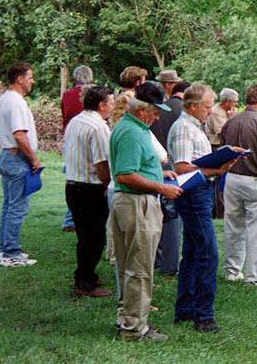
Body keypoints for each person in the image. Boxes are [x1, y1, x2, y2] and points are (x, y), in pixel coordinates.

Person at [108, 82, 182, 342]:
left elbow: (133, 167)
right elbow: (125, 175)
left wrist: (158, 172)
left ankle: (127, 320)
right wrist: (161, 187)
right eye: (155, 112)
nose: (158, 116)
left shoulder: (130, 127)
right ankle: (135, 329)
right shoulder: (133, 133)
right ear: (143, 111)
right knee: (139, 269)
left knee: (130, 267)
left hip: (131, 202)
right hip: (136, 204)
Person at [168, 83, 243, 332]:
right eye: (208, 107)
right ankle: (204, 316)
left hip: (201, 191)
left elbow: (194, 160)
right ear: (193, 106)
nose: (211, 112)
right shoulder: (182, 128)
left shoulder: (194, 126)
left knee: (192, 253)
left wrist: (222, 154)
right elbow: (181, 168)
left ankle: (186, 310)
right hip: (193, 194)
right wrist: (216, 169)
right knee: (208, 253)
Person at [220, 84, 257, 286]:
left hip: (233, 178)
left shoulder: (231, 121)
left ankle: (232, 270)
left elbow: (222, 146)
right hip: (256, 180)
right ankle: (254, 276)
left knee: (233, 225)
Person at [63, 85, 115, 297]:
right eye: (111, 103)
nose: (113, 107)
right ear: (101, 105)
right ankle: (84, 282)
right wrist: (107, 185)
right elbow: (101, 162)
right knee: (93, 238)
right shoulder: (98, 127)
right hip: (90, 188)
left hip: (73, 185)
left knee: (85, 236)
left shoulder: (76, 120)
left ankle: (86, 275)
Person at [0, 62, 41, 267]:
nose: (32, 81)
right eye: (30, 77)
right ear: (20, 79)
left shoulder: (5, 99)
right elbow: (20, 135)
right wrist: (34, 160)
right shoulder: (15, 103)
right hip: (16, 158)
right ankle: (10, 253)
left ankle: (5, 249)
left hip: (8, 156)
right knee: (18, 208)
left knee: (9, 205)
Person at [150, 79, 190, 277]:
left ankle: (156, 258)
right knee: (173, 218)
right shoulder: (184, 111)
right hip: (174, 164)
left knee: (158, 213)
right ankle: (170, 264)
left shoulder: (160, 109)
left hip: (155, 163)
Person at [60, 65, 94, 232]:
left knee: (71, 175)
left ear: (75, 79)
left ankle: (70, 219)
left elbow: (64, 115)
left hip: (69, 138)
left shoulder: (66, 95)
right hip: (89, 138)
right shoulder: (96, 94)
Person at [206, 87, 239, 219]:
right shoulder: (216, 113)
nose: (236, 104)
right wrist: (233, 119)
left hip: (223, 147)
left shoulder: (225, 111)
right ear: (227, 102)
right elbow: (224, 132)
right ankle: (219, 213)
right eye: (235, 102)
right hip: (216, 147)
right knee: (220, 181)